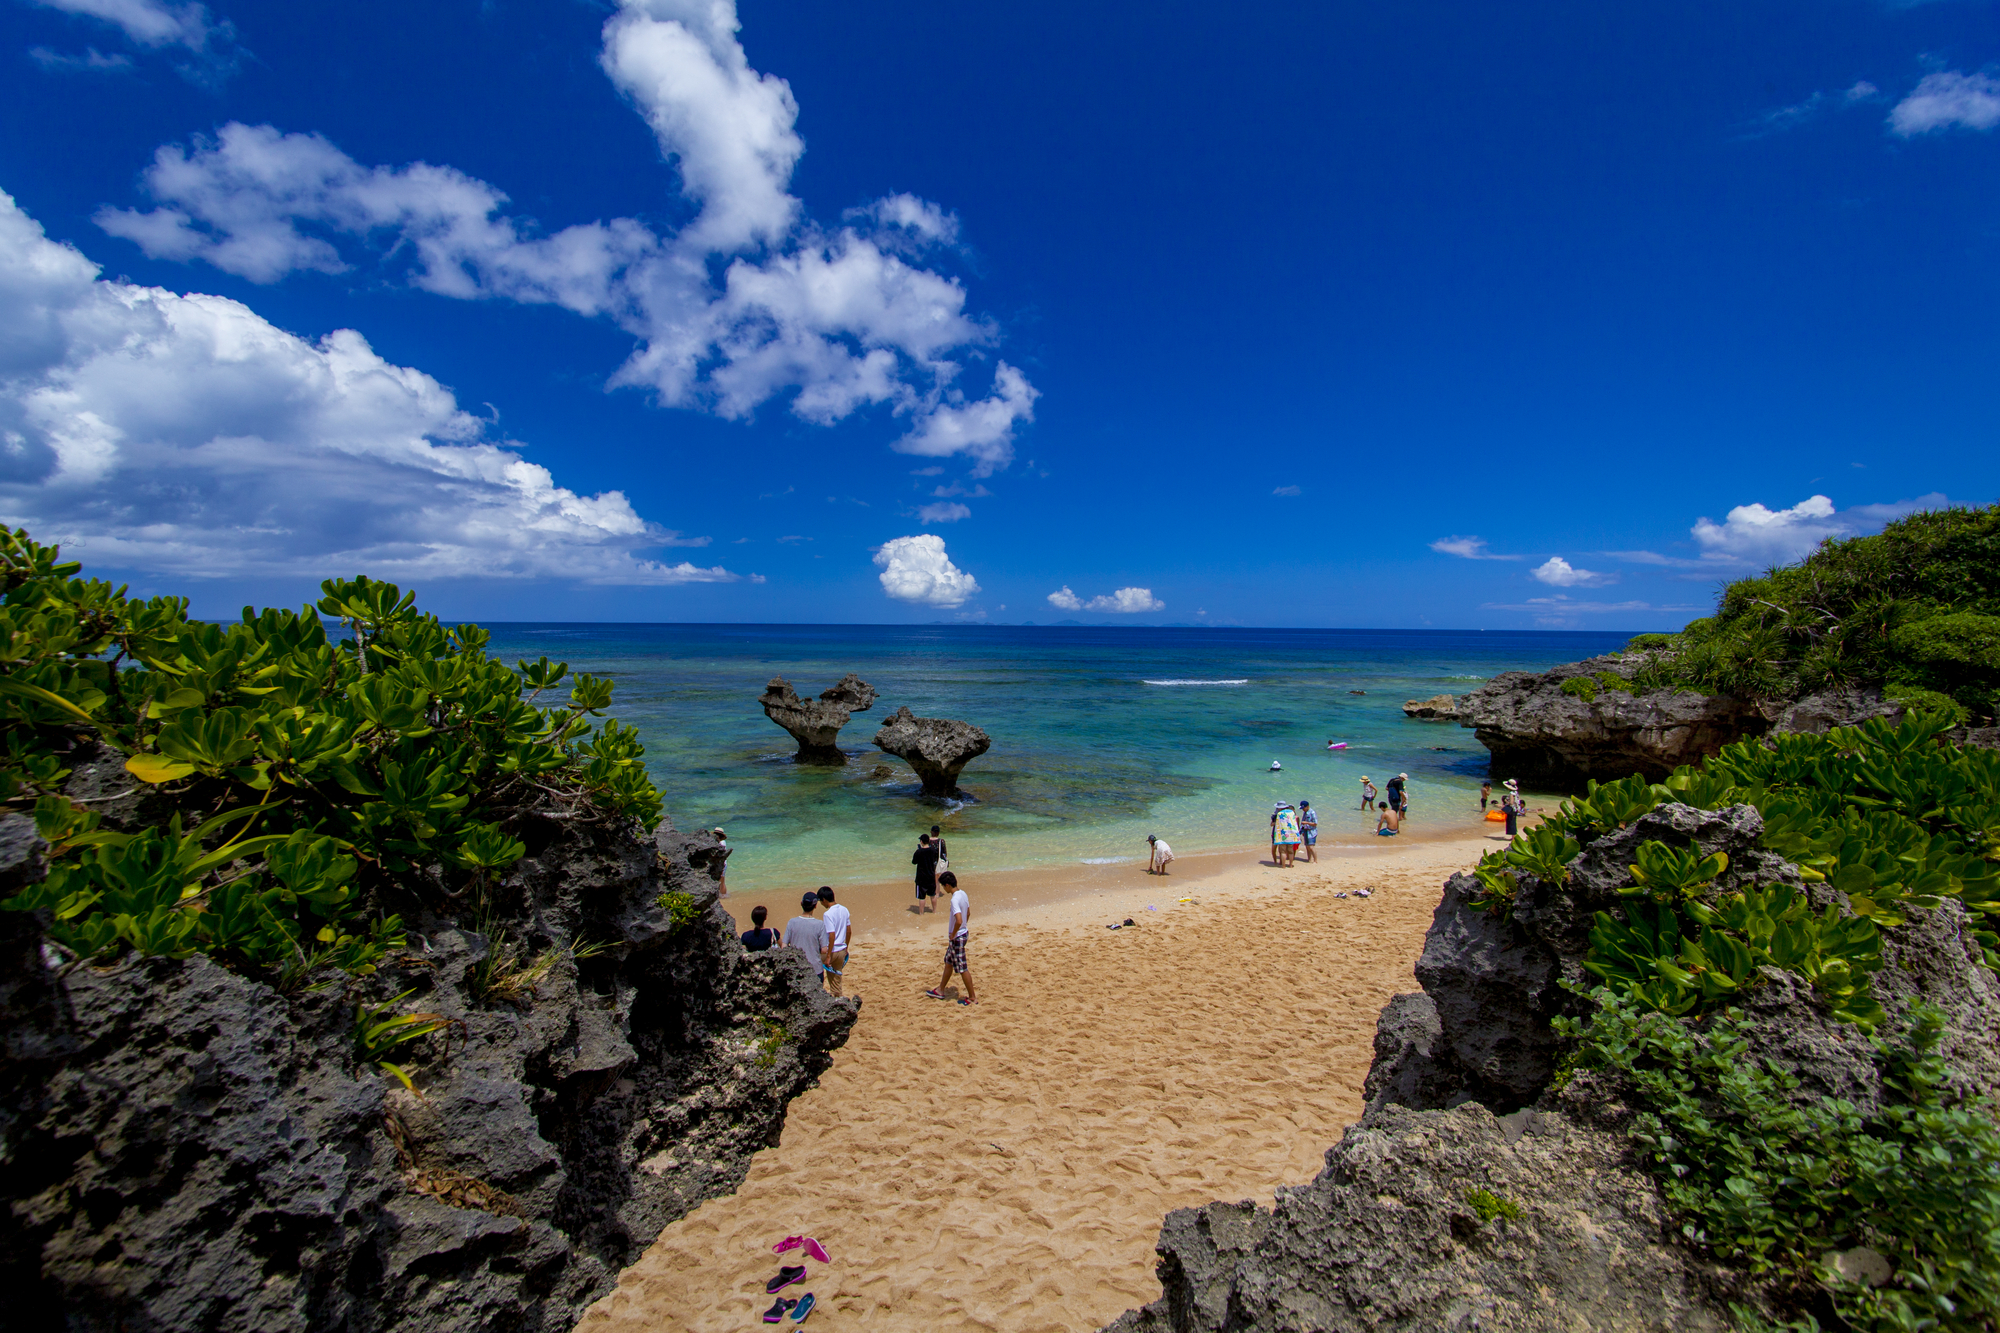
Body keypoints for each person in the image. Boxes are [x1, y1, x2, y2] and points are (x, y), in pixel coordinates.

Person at [925, 870, 976, 1005]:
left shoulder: (954, 900)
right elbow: (968, 913)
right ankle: (941, 990)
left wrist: (953, 934)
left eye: (943, 886)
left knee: (962, 967)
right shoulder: (963, 894)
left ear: (947, 885)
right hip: (963, 933)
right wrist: (963, 927)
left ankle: (972, 998)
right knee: (949, 962)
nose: (943, 888)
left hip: (957, 937)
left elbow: (958, 920)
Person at [783, 891, 831, 987]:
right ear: (816, 906)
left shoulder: (792, 922)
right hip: (815, 968)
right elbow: (824, 949)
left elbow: (784, 946)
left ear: (801, 903)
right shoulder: (819, 924)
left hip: (796, 967)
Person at [816, 886, 851, 997]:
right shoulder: (844, 909)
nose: (821, 904)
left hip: (832, 951)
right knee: (836, 982)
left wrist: (828, 956)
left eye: (821, 901)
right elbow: (849, 931)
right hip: (842, 950)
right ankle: (838, 1001)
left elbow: (831, 935)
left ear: (824, 900)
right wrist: (846, 947)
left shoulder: (828, 914)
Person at [912, 833, 941, 911]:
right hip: (931, 876)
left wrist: (919, 850)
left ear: (921, 842)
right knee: (933, 895)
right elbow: (935, 860)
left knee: (922, 897)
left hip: (921, 878)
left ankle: (921, 913)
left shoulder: (918, 852)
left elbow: (914, 862)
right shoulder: (933, 851)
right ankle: (934, 911)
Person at [1271, 801, 1302, 867]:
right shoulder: (1291, 813)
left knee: (1283, 851)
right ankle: (1290, 865)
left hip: (1283, 834)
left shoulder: (1279, 814)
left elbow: (1278, 825)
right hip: (1291, 834)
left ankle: (1283, 865)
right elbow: (1294, 823)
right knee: (1291, 851)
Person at [712, 827, 731, 897]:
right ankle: (722, 895)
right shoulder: (719, 842)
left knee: (722, 882)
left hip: (722, 864)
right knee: (721, 881)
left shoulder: (721, 843)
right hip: (721, 863)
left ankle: (723, 896)